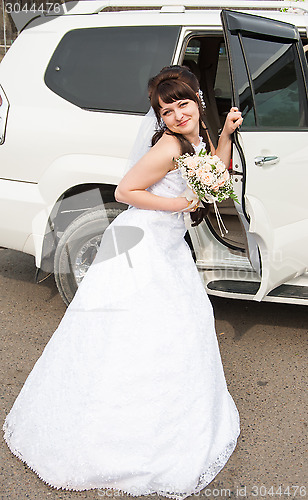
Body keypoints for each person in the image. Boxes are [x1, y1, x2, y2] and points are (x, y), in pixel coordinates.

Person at [3, 65, 243, 499]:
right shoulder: (168, 146)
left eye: (182, 103)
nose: (176, 114)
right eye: (166, 109)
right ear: (160, 118)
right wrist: (176, 203)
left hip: (169, 246)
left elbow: (216, 175)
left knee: (175, 330)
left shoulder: (199, 136)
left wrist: (224, 134)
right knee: (130, 330)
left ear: (198, 101)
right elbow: (124, 191)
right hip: (144, 243)